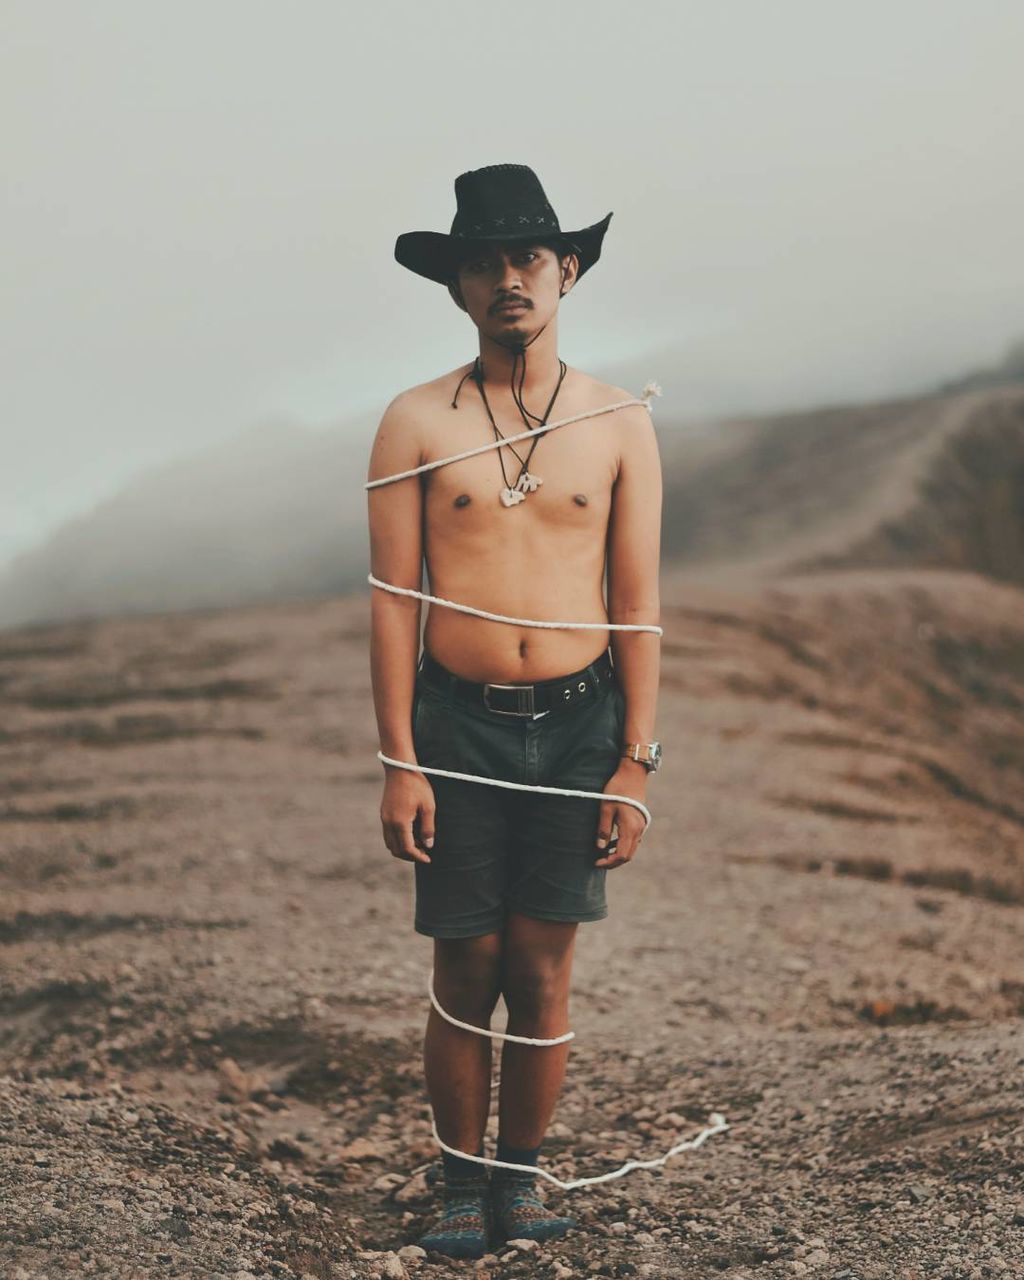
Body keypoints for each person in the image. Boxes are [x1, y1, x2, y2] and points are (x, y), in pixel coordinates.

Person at [366, 163, 663, 1259]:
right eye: (483, 261)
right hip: (459, 725)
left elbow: (637, 603)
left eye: (528, 257)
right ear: (455, 284)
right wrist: (399, 758)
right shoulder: (410, 422)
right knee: (464, 963)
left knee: (541, 966)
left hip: (581, 725)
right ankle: (457, 1183)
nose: (507, 278)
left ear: (566, 271)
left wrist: (635, 761)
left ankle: (520, 1178)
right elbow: (394, 608)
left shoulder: (621, 420)